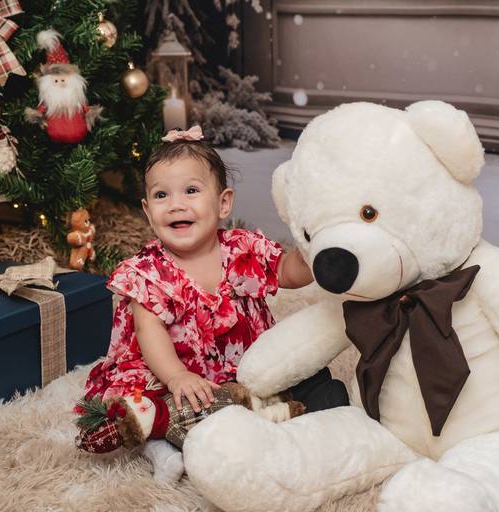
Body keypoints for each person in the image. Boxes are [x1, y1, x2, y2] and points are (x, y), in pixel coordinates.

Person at [75, 125, 348, 484]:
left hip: (244, 366)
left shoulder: (241, 248)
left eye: (191, 191)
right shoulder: (147, 270)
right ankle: (164, 450)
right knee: (139, 408)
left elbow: (288, 271)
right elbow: (148, 331)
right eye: (161, 195)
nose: (176, 204)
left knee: (305, 378)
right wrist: (176, 376)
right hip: (174, 371)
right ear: (146, 209)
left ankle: (300, 416)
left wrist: (314, 246)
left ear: (223, 203)